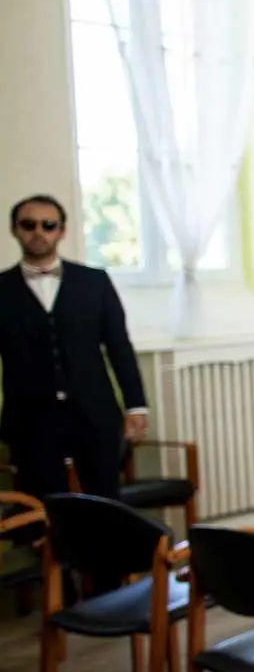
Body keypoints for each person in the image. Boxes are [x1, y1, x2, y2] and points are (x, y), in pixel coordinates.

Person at [0, 194, 148, 498]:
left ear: (61, 231)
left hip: (95, 413)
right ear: (15, 230)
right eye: (29, 224)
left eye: (48, 225)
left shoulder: (94, 282)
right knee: (45, 508)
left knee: (105, 503)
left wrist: (135, 405)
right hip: (31, 419)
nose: (39, 232)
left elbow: (119, 345)